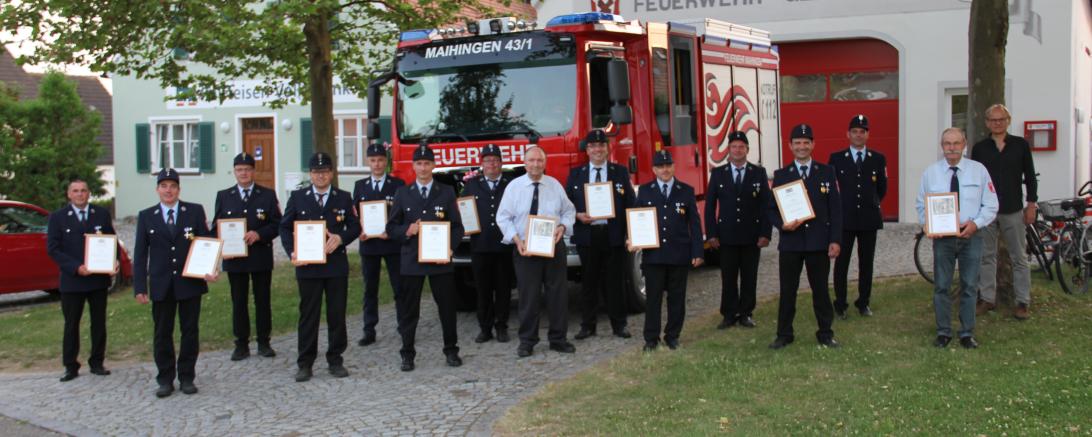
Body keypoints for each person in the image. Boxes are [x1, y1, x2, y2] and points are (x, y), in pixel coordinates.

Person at [133, 168, 217, 398]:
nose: (168, 190)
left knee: (189, 331)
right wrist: (140, 286)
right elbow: (140, 254)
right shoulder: (146, 216)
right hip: (161, 284)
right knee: (162, 333)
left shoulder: (194, 211)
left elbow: (206, 242)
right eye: (164, 186)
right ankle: (165, 379)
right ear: (157, 189)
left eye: (172, 186)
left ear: (179, 189)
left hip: (189, 282)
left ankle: (187, 376)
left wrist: (210, 268)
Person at [279, 152, 361, 382]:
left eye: (325, 172)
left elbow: (355, 226)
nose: (321, 176)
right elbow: (284, 228)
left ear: (332, 174)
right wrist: (292, 252)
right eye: (316, 172)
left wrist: (341, 238)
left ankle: (335, 359)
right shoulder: (297, 198)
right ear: (310, 174)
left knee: (336, 314)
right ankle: (305, 363)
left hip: (335, 266)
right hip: (308, 267)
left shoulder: (343, 198)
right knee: (309, 315)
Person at [386, 143, 465, 372]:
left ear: (434, 165)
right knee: (410, 310)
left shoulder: (447, 192)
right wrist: (407, 231)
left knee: (447, 309)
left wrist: (450, 248)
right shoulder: (403, 194)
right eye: (419, 163)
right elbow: (391, 227)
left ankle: (451, 351)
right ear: (413, 166)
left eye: (427, 163)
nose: (423, 168)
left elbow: (457, 227)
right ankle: (407, 354)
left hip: (440, 261)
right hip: (412, 260)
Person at [917, 127, 998, 348]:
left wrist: (976, 224)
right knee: (941, 286)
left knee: (970, 285)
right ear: (942, 146)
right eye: (947, 144)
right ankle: (943, 331)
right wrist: (929, 226)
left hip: (971, 236)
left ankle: (966, 333)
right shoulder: (931, 173)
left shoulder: (978, 171)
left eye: (956, 143)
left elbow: (991, 205)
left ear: (964, 144)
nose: (951, 148)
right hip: (943, 239)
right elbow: (921, 205)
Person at [767, 124, 842, 350]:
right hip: (791, 243)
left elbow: (835, 209)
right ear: (790, 146)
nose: (802, 147)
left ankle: (826, 333)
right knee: (787, 291)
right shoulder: (781, 176)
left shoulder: (827, 172)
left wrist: (835, 240)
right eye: (797, 143)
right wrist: (782, 225)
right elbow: (770, 209)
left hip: (818, 243)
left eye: (806, 142)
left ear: (813, 145)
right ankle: (784, 334)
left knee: (820, 291)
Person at [497, 145, 576, 358]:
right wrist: (515, 239)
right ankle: (527, 341)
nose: (535, 164)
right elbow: (502, 217)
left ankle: (558, 339)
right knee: (528, 297)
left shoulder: (555, 185)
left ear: (545, 163)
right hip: (525, 249)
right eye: (531, 160)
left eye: (539, 160)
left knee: (558, 295)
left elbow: (569, 211)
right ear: (524, 162)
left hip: (553, 247)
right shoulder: (514, 187)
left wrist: (562, 227)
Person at [566, 129, 635, 340]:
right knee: (589, 283)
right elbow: (567, 206)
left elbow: (631, 204)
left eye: (601, 145)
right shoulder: (576, 174)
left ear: (608, 148)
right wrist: (578, 215)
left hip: (613, 234)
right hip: (588, 235)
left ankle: (619, 325)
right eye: (593, 146)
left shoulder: (620, 172)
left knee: (615, 282)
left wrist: (632, 234)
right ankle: (588, 325)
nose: (597, 149)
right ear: (587, 150)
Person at [46, 179, 117, 382]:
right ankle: (70, 366)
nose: (80, 194)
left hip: (97, 281)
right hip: (72, 281)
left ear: (89, 193)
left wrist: (115, 262)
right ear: (69, 194)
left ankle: (97, 362)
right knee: (71, 324)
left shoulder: (101, 214)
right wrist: (76, 267)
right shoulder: (58, 218)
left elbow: (111, 241)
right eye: (75, 191)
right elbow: (53, 249)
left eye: (83, 191)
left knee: (98, 323)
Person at [213, 152, 282, 361]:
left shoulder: (267, 195)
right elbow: (216, 225)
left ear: (253, 171)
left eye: (247, 169)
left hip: (260, 256)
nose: (243, 173)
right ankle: (241, 344)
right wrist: (220, 243)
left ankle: (264, 342)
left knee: (262, 300)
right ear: (234, 172)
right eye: (239, 170)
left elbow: (278, 224)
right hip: (235, 259)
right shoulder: (224, 196)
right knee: (238, 301)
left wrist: (259, 234)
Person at [971, 104, 1037, 320]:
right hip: (986, 210)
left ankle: (1022, 301)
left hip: (1013, 208)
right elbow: (974, 180)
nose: (997, 123)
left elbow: (1029, 176)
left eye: (1001, 119)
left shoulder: (1020, 145)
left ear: (1008, 121)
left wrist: (1032, 204)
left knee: (1019, 256)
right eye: (993, 119)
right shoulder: (980, 148)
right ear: (987, 123)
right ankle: (987, 298)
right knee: (986, 256)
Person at [632, 150, 703, 351]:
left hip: (679, 254)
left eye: (668, 165)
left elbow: (695, 225)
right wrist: (633, 239)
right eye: (660, 166)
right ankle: (651, 339)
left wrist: (697, 252)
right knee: (653, 299)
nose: (665, 169)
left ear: (673, 167)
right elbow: (637, 218)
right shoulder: (645, 191)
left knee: (677, 299)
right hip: (653, 256)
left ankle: (673, 336)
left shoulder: (686, 191)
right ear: (654, 169)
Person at [705, 131, 772, 329]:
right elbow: (709, 207)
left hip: (752, 235)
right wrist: (711, 234)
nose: (737, 150)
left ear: (747, 150)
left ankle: (746, 313)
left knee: (749, 276)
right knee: (728, 277)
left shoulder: (758, 173)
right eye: (734, 146)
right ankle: (728, 314)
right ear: (729, 149)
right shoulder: (718, 173)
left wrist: (765, 233)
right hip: (726, 236)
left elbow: (766, 205)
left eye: (741, 147)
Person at [829, 114, 887, 318]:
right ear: (848, 134)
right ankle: (840, 303)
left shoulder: (878, 159)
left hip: (869, 219)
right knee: (841, 264)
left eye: (862, 131)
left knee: (866, 263)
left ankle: (863, 302)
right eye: (855, 131)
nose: (858, 135)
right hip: (844, 220)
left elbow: (882, 188)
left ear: (867, 134)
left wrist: (871, 203)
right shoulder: (836, 159)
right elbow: (833, 190)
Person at [352, 143, 405, 346]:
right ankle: (369, 330)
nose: (377, 164)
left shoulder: (397, 185)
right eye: (373, 160)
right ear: (368, 162)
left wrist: (392, 232)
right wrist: (360, 231)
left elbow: (401, 215)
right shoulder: (360, 186)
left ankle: (404, 326)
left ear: (386, 161)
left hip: (391, 244)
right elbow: (354, 214)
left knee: (399, 287)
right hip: (369, 245)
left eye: (381, 160)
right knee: (369, 289)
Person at [461, 144, 514, 344]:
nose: (491, 164)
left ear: (501, 163)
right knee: (482, 289)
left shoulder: (511, 185)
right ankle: (485, 328)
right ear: (481, 164)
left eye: (495, 160)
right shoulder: (472, 186)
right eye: (487, 160)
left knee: (503, 289)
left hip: (504, 245)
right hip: (480, 246)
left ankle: (502, 326)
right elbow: (463, 210)